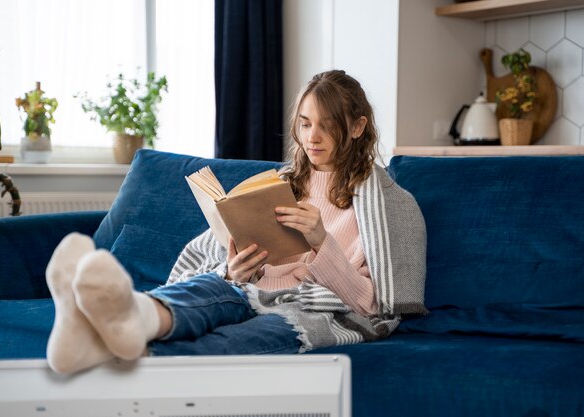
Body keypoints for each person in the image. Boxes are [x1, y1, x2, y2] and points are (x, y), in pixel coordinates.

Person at [46, 70, 427, 375]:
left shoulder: (388, 205)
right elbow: (229, 262)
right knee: (204, 291)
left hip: (309, 310)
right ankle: (123, 315)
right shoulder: (280, 184)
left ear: (357, 127)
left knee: (223, 342)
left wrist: (321, 241)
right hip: (249, 289)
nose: (313, 137)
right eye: (306, 123)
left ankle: (95, 343)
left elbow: (373, 305)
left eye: (327, 125)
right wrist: (234, 270)